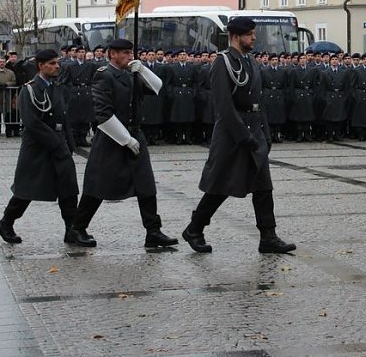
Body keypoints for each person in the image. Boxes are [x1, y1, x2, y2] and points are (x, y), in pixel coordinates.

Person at [182, 17, 295, 254]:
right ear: (236, 36)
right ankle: (194, 228)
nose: (254, 38)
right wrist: (243, 136)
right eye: (249, 34)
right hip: (232, 135)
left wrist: (265, 132)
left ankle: (268, 236)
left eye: (254, 33)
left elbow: (258, 100)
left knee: (263, 187)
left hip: (254, 131)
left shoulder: (250, 61)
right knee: (221, 186)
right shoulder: (222, 63)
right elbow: (224, 106)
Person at [66, 38, 177, 249]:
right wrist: (125, 139)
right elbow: (103, 114)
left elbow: (157, 88)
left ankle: (153, 231)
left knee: (146, 185)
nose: (129, 56)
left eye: (130, 52)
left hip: (136, 134)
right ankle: (77, 228)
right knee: (97, 186)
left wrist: (142, 69)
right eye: (124, 53)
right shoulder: (104, 76)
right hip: (111, 139)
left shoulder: (132, 73)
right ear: (112, 54)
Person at [0, 49, 79, 244]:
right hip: (38, 147)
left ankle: (71, 229)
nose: (57, 66)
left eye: (57, 63)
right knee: (27, 190)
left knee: (69, 189)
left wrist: (69, 143)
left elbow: (63, 116)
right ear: (41, 66)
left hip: (59, 145)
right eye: (52, 63)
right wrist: (56, 143)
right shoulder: (29, 89)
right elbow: (32, 123)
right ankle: (6, 223)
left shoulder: (56, 87)